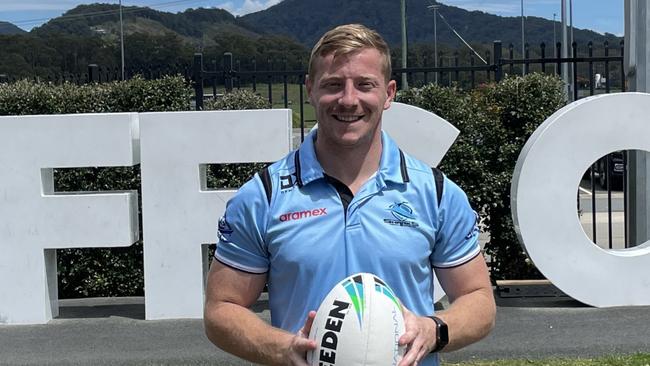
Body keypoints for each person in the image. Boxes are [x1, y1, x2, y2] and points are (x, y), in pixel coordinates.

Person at [204, 23, 496, 366]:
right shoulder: (264, 196)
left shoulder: (435, 192)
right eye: (332, 85)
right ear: (311, 90)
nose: (348, 99)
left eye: (364, 85)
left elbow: (478, 299)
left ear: (388, 94)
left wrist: (434, 329)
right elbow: (222, 308)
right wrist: (281, 347)